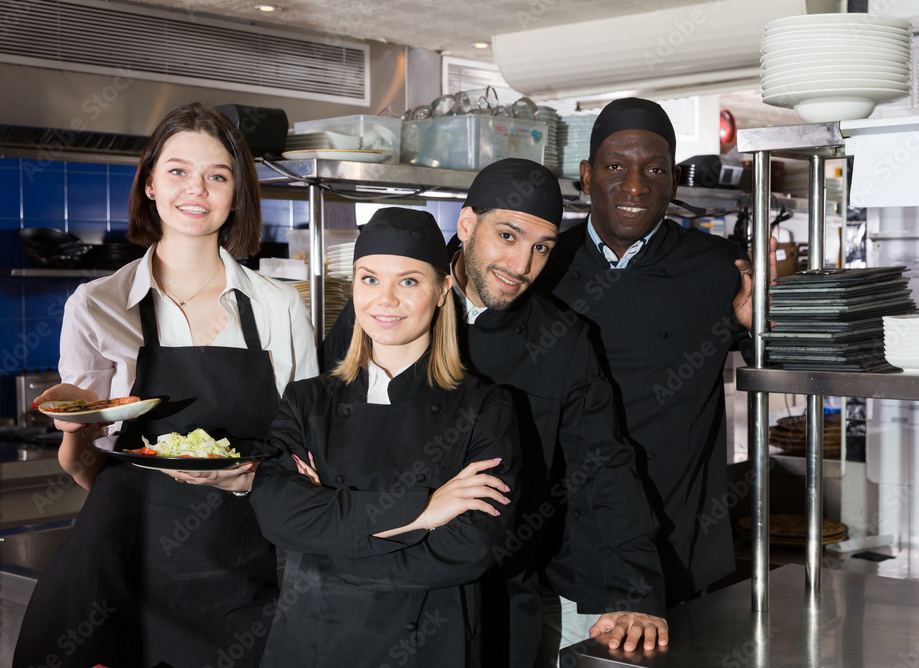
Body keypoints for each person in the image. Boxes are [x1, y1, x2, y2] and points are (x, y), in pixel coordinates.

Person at [322, 159, 668, 666]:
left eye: (541, 247)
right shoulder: (382, 309)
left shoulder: (563, 341)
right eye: (507, 235)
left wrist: (636, 589)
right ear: (466, 226)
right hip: (371, 591)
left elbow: (605, 465)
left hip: (501, 597)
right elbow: (326, 436)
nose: (522, 264)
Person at [14, 102, 319, 668]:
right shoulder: (98, 304)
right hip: (122, 560)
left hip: (241, 563)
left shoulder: (278, 306)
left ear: (236, 195)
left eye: (217, 175)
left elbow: (309, 447)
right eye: (177, 170)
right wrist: (74, 433)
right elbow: (80, 456)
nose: (195, 189)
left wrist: (247, 482)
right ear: (150, 183)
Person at [247, 207, 520, 667]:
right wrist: (425, 510)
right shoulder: (307, 401)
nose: (384, 299)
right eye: (369, 279)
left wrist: (330, 533)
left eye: (409, 281)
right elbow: (278, 517)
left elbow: (473, 546)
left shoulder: (485, 407)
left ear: (441, 292)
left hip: (431, 645)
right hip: (314, 644)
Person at [536, 97, 771, 611]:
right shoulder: (544, 268)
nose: (636, 185)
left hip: (679, 539)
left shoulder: (718, 269)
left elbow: (783, 373)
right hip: (561, 542)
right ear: (586, 175)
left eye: (655, 169)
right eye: (615, 166)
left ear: (674, 182)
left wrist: (764, 329)